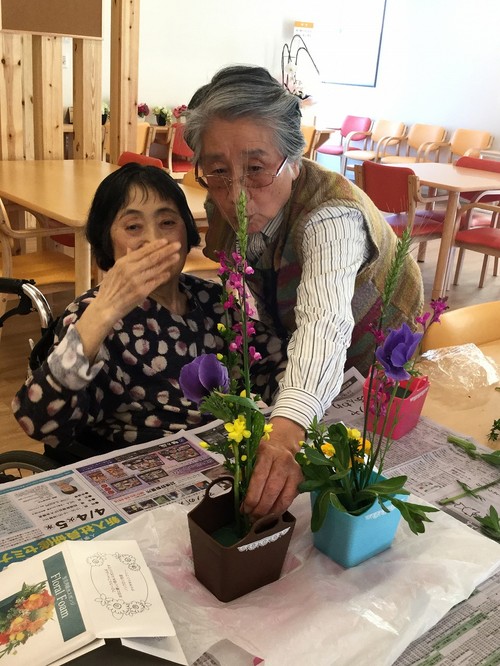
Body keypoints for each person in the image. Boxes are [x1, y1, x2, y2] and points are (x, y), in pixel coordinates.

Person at [184, 65, 424, 519]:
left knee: (358, 484)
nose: (237, 194)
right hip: (307, 360)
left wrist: (288, 429)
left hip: (375, 360)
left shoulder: (331, 217)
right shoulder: (225, 200)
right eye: (217, 171)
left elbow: (325, 324)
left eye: (256, 169)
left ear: (294, 160)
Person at [12, 164, 286, 461]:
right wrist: (103, 312)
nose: (154, 240)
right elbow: (39, 421)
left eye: (167, 222)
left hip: (230, 459)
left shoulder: (212, 299)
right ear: (107, 240)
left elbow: (273, 366)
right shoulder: (91, 315)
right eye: (133, 227)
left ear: (187, 231)